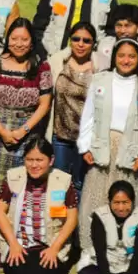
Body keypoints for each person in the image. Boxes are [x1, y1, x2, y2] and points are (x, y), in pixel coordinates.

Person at [78, 36, 138, 211]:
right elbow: (88, 116)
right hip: (102, 149)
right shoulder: (100, 81)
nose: (126, 60)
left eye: (132, 56)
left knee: (124, 207)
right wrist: (85, 146)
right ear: (114, 57)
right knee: (93, 204)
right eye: (121, 55)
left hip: (131, 152)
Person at [0, 16, 54, 189]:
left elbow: (44, 104)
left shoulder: (41, 67)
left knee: (21, 185)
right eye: (14, 39)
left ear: (31, 42)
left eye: (24, 39)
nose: (19, 44)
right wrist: (1, 131)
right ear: (7, 40)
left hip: (27, 134)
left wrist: (23, 130)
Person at [0, 140, 78, 274]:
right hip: (19, 243)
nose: (34, 165)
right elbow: (0, 211)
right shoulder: (14, 177)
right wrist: (13, 244)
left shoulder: (63, 181)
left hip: (49, 244)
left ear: (51, 160)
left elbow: (72, 219)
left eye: (39, 160)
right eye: (29, 160)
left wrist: (54, 249)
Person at [47, 23, 99, 190]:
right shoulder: (57, 62)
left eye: (86, 40)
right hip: (60, 136)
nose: (81, 44)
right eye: (76, 39)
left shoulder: (101, 68)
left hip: (86, 140)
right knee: (58, 182)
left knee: (80, 184)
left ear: (94, 44)